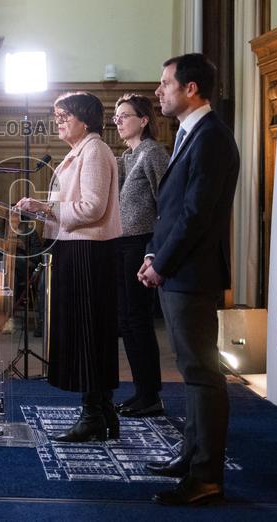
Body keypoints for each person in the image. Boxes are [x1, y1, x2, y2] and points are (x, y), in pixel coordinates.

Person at [138, 54, 239, 506]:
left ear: (191, 88)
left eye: (165, 83)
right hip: (178, 267)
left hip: (192, 274)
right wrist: (154, 253)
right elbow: (174, 208)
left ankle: (206, 476)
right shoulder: (190, 133)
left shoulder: (212, 137)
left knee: (202, 374)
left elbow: (197, 215)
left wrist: (163, 263)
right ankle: (192, 454)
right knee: (192, 370)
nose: (159, 90)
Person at [17, 92, 122, 442]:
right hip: (77, 249)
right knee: (88, 332)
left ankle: (94, 415)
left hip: (88, 253)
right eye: (56, 115)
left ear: (86, 119)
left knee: (87, 333)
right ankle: (102, 411)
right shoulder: (81, 151)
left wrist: (46, 210)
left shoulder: (93, 150)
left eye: (64, 116)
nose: (58, 121)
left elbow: (92, 208)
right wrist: (42, 209)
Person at [113, 93, 170, 417]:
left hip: (142, 244)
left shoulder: (152, 153)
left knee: (138, 320)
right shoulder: (127, 157)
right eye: (116, 116)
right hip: (123, 243)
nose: (118, 121)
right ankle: (141, 391)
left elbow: (167, 204)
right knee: (126, 321)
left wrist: (154, 252)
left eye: (125, 115)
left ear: (144, 120)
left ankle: (151, 395)